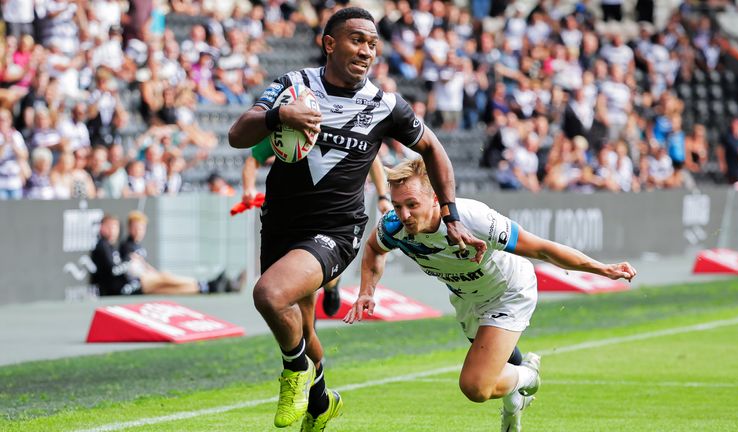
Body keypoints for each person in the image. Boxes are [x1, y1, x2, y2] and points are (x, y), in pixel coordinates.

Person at [228, 7, 486, 431]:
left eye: (372, 43)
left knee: (270, 295)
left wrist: (451, 213)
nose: (366, 50)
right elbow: (239, 135)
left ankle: (294, 372)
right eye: (356, 40)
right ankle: (321, 400)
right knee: (303, 328)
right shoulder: (293, 86)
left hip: (336, 230)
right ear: (329, 44)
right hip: (280, 223)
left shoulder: (385, 105)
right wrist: (279, 116)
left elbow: (434, 149)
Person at [344, 157, 637, 432]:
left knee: (476, 386)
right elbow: (373, 249)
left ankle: (529, 376)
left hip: (509, 291)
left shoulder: (472, 219)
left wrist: (602, 269)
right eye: (397, 205)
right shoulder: (394, 226)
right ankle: (514, 402)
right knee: (498, 366)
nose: (404, 214)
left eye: (412, 204)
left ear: (436, 197)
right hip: (466, 298)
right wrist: (366, 291)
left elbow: (542, 248)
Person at [241, 140, 394, 317]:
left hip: (331, 217)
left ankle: (331, 286)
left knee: (309, 273)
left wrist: (383, 196)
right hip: (290, 214)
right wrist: (248, 188)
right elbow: (254, 158)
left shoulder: (346, 131)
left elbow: (372, 158)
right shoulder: (291, 130)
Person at [90, 214, 231, 296]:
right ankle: (204, 284)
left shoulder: (111, 246)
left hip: (130, 285)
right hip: (122, 289)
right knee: (164, 277)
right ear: (102, 228)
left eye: (115, 227)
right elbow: (113, 271)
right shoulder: (103, 246)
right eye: (110, 227)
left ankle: (206, 288)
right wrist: (129, 261)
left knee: (168, 289)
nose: (113, 230)